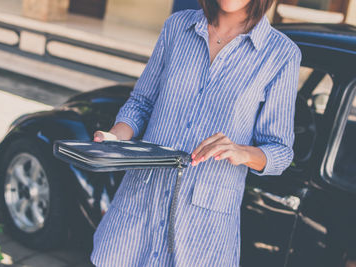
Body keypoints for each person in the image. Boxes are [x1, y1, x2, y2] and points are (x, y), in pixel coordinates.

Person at [90, 0, 302, 266]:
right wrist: (115, 137)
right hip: (138, 208)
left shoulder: (281, 54)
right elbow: (141, 103)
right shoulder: (177, 27)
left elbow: (280, 152)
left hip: (202, 232)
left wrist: (241, 151)